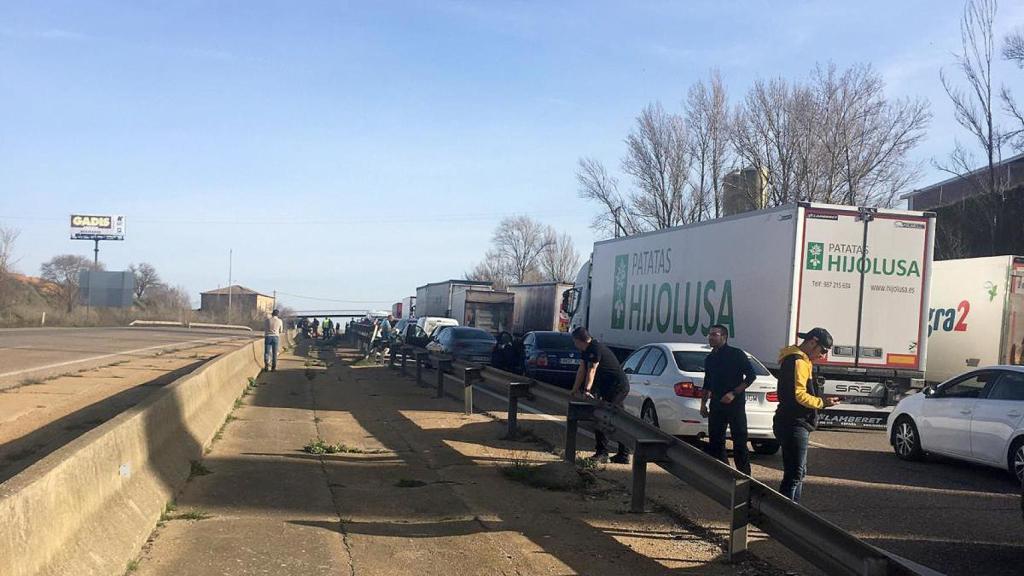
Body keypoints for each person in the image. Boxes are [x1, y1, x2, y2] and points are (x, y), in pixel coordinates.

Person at [773, 327, 841, 502]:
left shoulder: (799, 359)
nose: (823, 355)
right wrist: (822, 403)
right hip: (794, 423)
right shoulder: (798, 361)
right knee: (795, 474)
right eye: (823, 350)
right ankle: (786, 516)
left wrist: (820, 400)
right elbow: (800, 395)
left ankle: (792, 514)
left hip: (791, 421)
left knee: (797, 472)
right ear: (812, 342)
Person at [699, 324, 757, 476]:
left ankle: (745, 478)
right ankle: (725, 475)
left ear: (724, 337)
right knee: (716, 443)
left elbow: (751, 376)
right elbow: (707, 383)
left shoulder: (736, 354)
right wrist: (703, 404)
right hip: (717, 404)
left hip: (735, 405)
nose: (710, 337)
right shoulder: (710, 358)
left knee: (739, 442)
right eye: (709, 334)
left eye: (714, 334)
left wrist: (733, 393)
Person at [571, 326, 630, 464]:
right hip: (607, 387)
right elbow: (582, 369)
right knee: (611, 418)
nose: (575, 345)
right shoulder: (586, 350)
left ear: (580, 340)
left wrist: (587, 390)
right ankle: (622, 454)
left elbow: (591, 370)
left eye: (575, 342)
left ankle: (603, 453)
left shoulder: (594, 349)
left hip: (617, 387)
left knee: (605, 417)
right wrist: (574, 389)